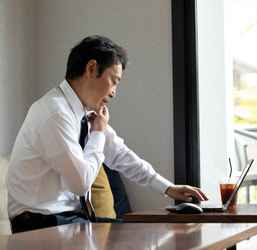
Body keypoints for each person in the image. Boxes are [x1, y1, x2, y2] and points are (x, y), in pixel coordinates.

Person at [6, 35, 208, 233]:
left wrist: (168, 188)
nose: (114, 92)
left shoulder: (83, 113)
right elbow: (81, 183)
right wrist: (98, 133)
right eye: (114, 81)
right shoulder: (55, 113)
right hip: (38, 225)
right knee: (136, 238)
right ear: (91, 68)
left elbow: (120, 155)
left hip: (68, 221)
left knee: (145, 234)